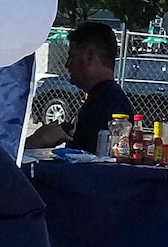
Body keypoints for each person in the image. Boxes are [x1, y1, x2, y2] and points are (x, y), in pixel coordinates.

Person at [22, 20, 134, 154]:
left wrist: (37, 141)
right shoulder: (105, 98)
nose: (67, 64)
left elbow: (90, 166)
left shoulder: (106, 104)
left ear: (89, 58)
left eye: (72, 56)